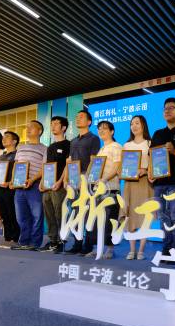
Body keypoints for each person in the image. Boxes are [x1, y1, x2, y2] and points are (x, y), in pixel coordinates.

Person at [149, 97, 175, 257]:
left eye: (171, 108)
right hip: (159, 183)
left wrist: (174, 151)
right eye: (165, 108)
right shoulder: (158, 133)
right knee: (163, 218)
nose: (167, 110)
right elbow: (151, 155)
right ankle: (166, 250)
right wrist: (150, 172)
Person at [60, 110, 101, 255]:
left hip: (86, 179)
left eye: (81, 117)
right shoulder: (73, 141)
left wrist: (85, 179)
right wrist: (66, 179)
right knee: (76, 212)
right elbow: (69, 161)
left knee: (88, 212)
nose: (78, 119)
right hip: (73, 180)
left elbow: (94, 161)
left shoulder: (94, 138)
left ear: (89, 122)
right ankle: (77, 243)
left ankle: (88, 245)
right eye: (76, 117)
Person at [84, 120, 122, 259]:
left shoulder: (116, 146)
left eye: (105, 128)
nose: (101, 130)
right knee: (95, 220)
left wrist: (104, 179)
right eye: (99, 128)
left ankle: (110, 249)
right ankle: (96, 248)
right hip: (97, 190)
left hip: (110, 189)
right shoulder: (101, 149)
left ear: (112, 131)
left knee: (109, 219)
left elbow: (117, 167)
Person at [11, 120, 48, 251]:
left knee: (37, 216)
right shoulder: (20, 147)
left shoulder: (44, 148)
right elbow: (16, 165)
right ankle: (24, 242)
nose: (28, 129)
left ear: (39, 131)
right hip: (19, 186)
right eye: (27, 127)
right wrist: (13, 180)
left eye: (31, 127)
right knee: (21, 216)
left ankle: (35, 243)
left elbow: (44, 168)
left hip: (34, 186)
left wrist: (32, 180)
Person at [120, 115, 152, 260]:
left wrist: (145, 170)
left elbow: (154, 164)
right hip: (129, 184)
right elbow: (122, 166)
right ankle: (132, 250)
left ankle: (141, 251)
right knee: (130, 217)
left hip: (144, 183)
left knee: (145, 217)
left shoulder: (149, 143)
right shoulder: (126, 145)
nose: (134, 126)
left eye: (137, 123)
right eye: (132, 124)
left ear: (143, 125)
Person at [38, 116, 70, 252]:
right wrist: (42, 181)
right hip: (47, 185)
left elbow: (68, 165)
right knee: (49, 214)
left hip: (59, 185)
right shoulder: (50, 146)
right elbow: (46, 165)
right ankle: (53, 240)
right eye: (52, 124)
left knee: (59, 213)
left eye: (56, 124)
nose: (53, 126)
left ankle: (62, 241)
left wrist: (60, 181)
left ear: (64, 127)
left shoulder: (68, 145)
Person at [0, 131, 20, 246]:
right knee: (4, 214)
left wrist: (10, 182)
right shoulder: (2, 155)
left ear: (14, 141)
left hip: (11, 188)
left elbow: (19, 171)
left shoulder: (18, 155)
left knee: (12, 213)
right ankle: (8, 238)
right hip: (0, 188)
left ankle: (16, 238)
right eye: (3, 137)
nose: (3, 139)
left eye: (7, 137)